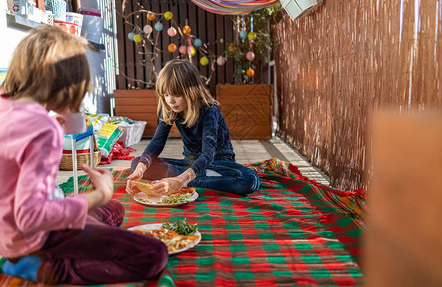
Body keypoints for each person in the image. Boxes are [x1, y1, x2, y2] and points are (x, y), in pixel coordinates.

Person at [0, 25, 168, 285]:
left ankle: (71, 240)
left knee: (113, 209)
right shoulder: (42, 130)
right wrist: (99, 194)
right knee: (154, 254)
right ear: (66, 82)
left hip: (5, 231)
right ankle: (48, 269)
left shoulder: (6, 107)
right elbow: (31, 216)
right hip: (33, 238)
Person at [126, 60, 260, 196]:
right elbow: (157, 142)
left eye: (176, 95)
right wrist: (140, 169)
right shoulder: (169, 107)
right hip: (190, 163)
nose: (170, 100)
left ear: (192, 91)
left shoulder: (209, 110)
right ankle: (203, 179)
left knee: (250, 180)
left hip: (219, 163)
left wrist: (181, 180)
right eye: (166, 95)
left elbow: (208, 153)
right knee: (136, 163)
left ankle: (188, 180)